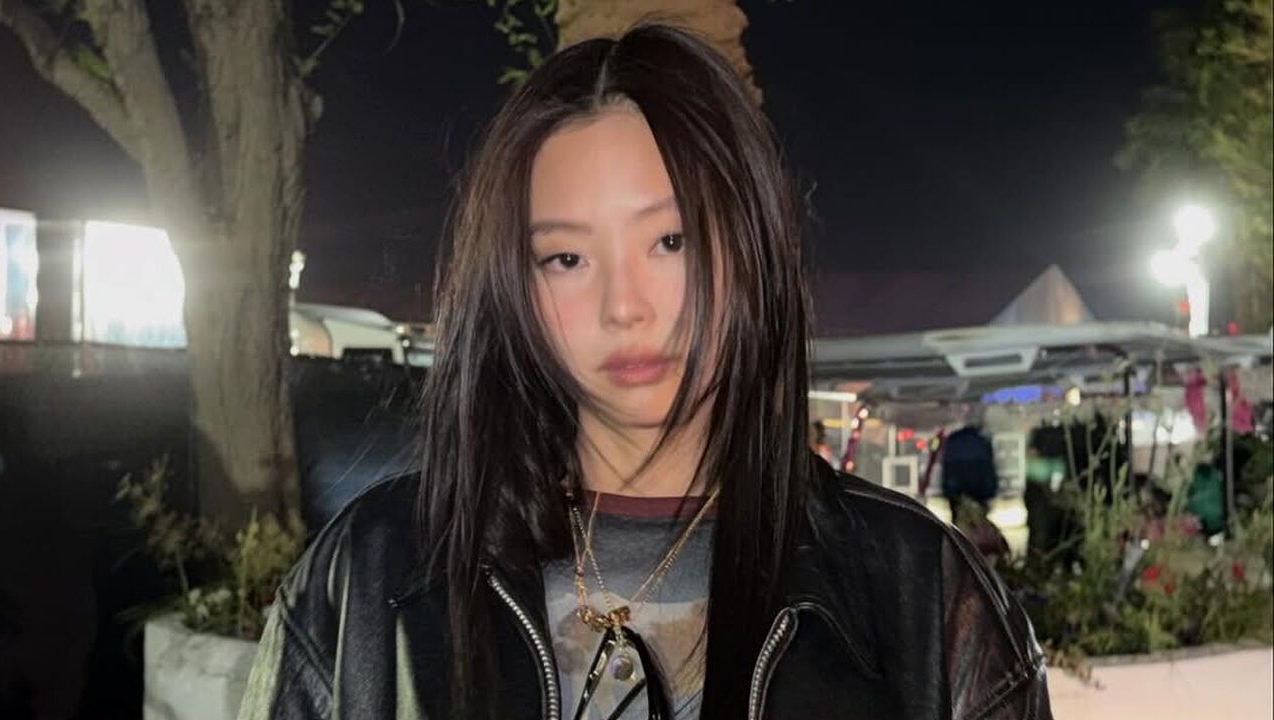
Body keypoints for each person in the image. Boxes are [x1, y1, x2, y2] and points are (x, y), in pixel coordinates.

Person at [238, 25, 1050, 720]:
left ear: (752, 246)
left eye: (672, 241)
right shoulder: (372, 577)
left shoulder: (918, 591)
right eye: (566, 258)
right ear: (512, 287)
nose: (623, 307)